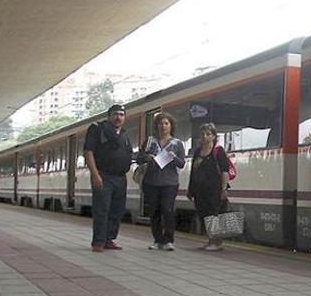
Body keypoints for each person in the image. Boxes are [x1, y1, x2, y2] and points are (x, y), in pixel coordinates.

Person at [83, 103, 135, 252]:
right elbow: (88, 151)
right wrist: (95, 174)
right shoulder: (97, 129)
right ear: (109, 116)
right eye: (115, 114)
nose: (118, 117)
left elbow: (128, 154)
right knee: (102, 209)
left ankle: (109, 239)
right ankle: (98, 241)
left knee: (117, 210)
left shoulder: (124, 135)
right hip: (103, 175)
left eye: (121, 115)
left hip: (120, 177)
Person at [137, 112, 186, 251]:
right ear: (156, 126)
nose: (163, 126)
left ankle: (169, 240)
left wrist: (174, 158)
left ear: (171, 126)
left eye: (166, 123)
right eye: (160, 123)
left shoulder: (177, 144)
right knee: (154, 211)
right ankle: (157, 240)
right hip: (151, 182)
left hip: (170, 183)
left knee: (167, 209)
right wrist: (147, 157)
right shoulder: (150, 141)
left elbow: (181, 164)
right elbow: (139, 158)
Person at [188, 122, 230, 252]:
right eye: (203, 134)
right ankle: (211, 240)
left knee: (213, 215)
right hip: (199, 190)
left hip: (214, 190)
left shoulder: (218, 151)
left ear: (214, 136)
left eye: (208, 134)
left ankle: (216, 242)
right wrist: (190, 189)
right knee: (204, 215)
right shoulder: (197, 152)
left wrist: (224, 189)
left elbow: (225, 171)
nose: (205, 136)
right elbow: (193, 171)